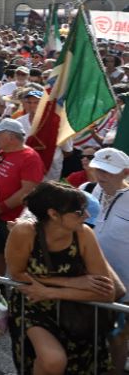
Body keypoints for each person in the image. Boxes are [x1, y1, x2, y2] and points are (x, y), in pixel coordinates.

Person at [7, 181, 121, 375]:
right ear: (53, 214)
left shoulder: (84, 234)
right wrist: (72, 282)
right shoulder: (25, 232)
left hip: (75, 310)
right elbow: (17, 273)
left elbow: (107, 293)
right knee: (53, 360)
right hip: (33, 305)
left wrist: (49, 291)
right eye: (79, 212)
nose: (86, 216)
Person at [85, 148, 129, 373]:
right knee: (86, 334)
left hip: (124, 286)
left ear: (125, 173)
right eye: (99, 169)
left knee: (118, 338)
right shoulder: (86, 191)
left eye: (109, 172)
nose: (102, 176)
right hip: (87, 282)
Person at [0, 117, 43, 275]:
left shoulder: (30, 158)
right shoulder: (3, 152)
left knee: (14, 260)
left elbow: (27, 191)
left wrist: (1, 207)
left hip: (13, 220)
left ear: (11, 137)